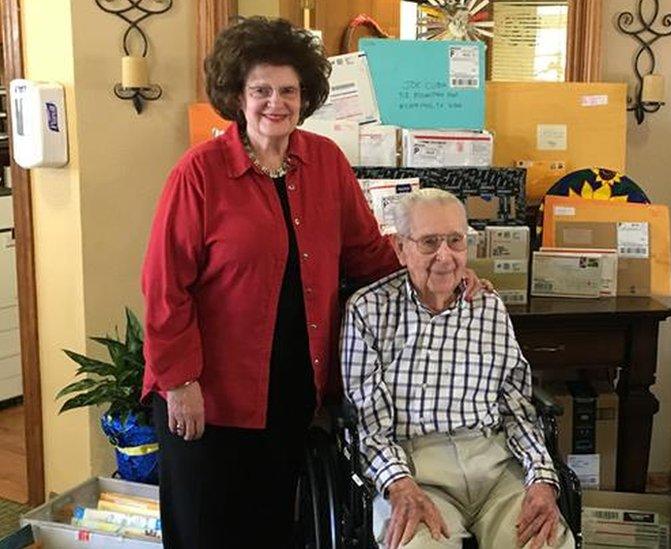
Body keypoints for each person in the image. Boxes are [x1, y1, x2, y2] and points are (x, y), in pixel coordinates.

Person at [141, 18, 486, 548]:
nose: (275, 103)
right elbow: (166, 285)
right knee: (206, 528)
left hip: (293, 387)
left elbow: (368, 254)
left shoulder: (325, 161)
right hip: (210, 394)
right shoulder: (199, 174)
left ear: (305, 95)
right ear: (237, 95)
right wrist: (179, 384)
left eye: (288, 90)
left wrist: (440, 268)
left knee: (277, 527)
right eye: (261, 90)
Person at [341, 189, 575, 549]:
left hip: (496, 464)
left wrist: (542, 478)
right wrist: (400, 485)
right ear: (400, 249)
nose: (445, 256)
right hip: (416, 467)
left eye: (455, 241)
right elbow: (368, 424)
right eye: (429, 242)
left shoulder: (487, 307)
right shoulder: (368, 310)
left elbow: (516, 406)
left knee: (542, 542)